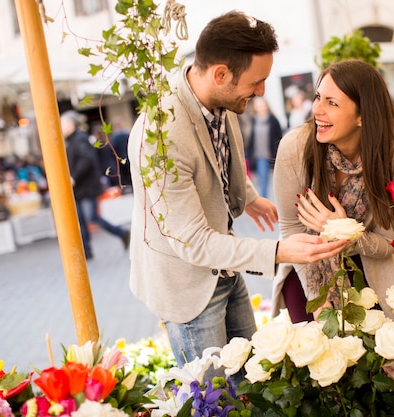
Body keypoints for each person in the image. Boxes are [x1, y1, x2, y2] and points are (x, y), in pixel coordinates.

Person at [126, 11, 348, 383]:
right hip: (188, 287)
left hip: (225, 268)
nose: (262, 91)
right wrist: (279, 252)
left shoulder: (222, 101)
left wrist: (247, 196)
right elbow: (194, 243)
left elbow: (215, 162)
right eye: (257, 81)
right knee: (215, 400)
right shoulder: (160, 137)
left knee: (254, 380)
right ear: (220, 74)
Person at [271, 59, 394, 322]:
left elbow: (390, 243)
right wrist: (319, 299)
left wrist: (345, 231)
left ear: (362, 115)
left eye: (331, 103)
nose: (317, 110)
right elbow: (290, 230)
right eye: (317, 97)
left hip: (366, 268)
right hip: (306, 269)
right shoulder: (294, 148)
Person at [60, 110, 130, 260]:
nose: (61, 127)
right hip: (79, 188)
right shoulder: (72, 140)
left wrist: (74, 177)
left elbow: (86, 160)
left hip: (86, 186)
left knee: (91, 217)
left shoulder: (80, 139)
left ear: (71, 124)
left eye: (63, 123)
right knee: (81, 219)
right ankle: (87, 250)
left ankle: (121, 233)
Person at [245, 96, 283, 198]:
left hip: (269, 153)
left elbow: (279, 137)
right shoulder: (253, 121)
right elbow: (251, 140)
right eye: (258, 105)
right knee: (262, 179)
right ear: (255, 107)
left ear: (266, 106)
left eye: (262, 105)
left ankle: (264, 199)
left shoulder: (273, 120)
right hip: (257, 155)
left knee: (265, 180)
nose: (261, 107)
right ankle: (264, 199)